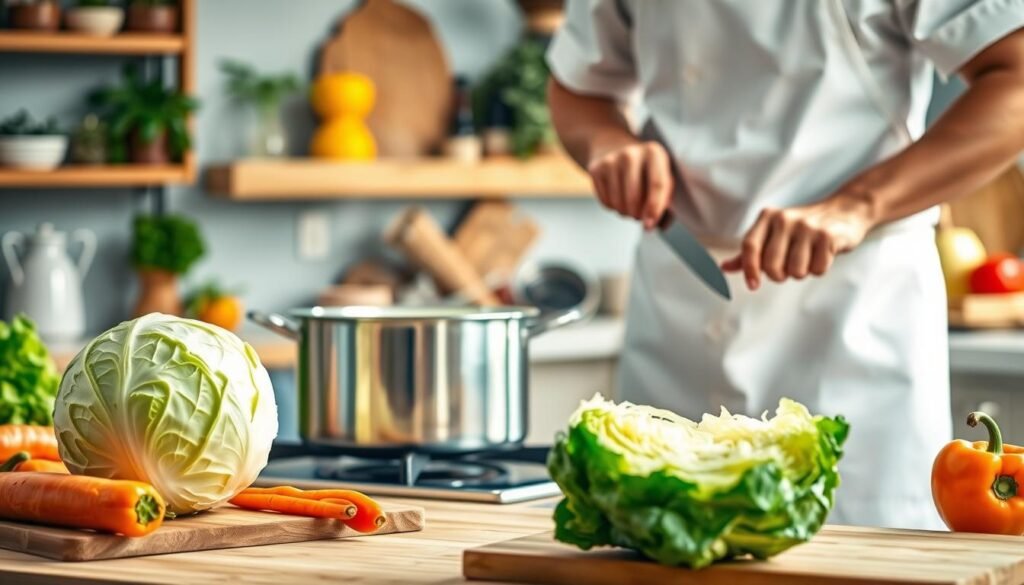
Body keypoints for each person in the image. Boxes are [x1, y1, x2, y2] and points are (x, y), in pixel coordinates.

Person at [546, 0, 1024, 530]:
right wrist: (607, 144)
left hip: (852, 314)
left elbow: (1016, 77)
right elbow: (579, 86)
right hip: (678, 304)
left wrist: (858, 205)